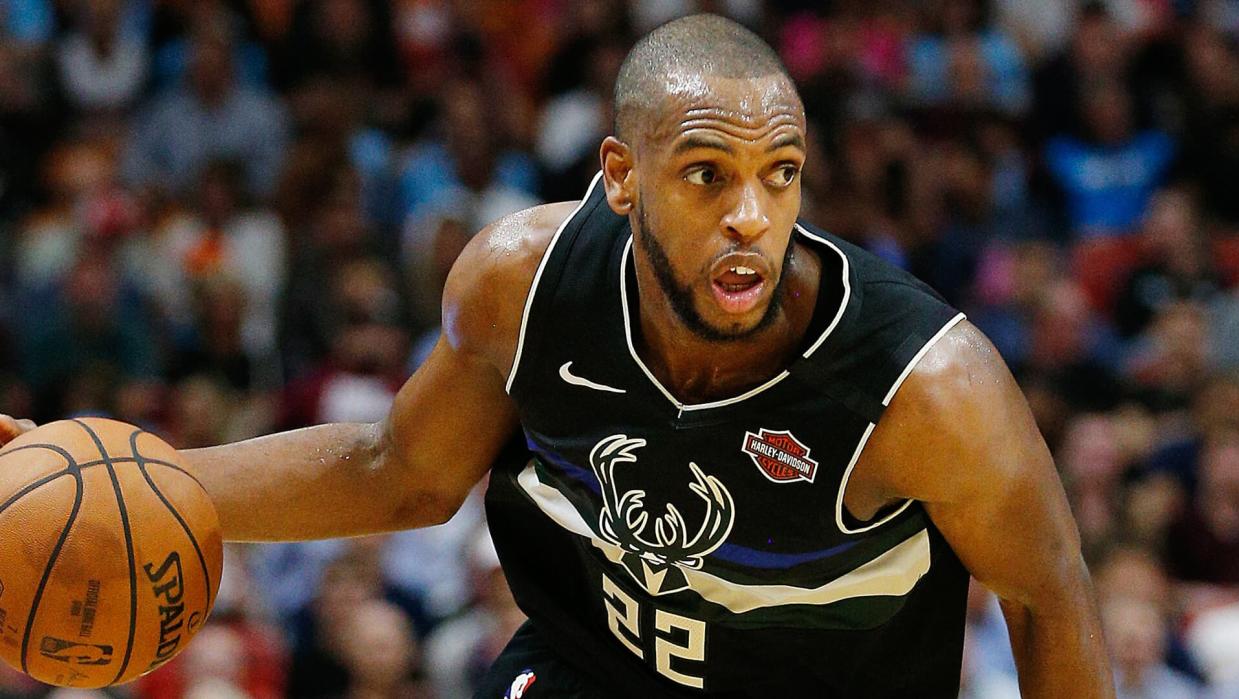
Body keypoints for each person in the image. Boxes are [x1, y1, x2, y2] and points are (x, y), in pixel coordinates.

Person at [0, 15, 1111, 698]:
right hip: (595, 676)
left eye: (780, 174)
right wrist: (126, 483)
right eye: (706, 175)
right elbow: (402, 472)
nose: (750, 215)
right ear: (621, 178)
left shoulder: (926, 388)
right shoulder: (522, 285)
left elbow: (1050, 599)